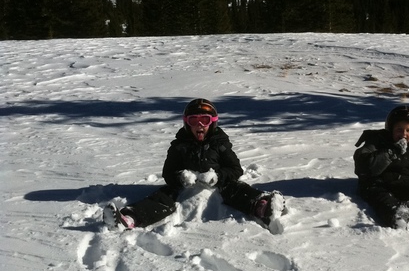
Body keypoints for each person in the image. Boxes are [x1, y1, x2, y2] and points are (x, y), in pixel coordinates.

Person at [103, 98, 285, 233]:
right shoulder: (179, 145)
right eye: (193, 120)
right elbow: (168, 172)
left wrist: (218, 176)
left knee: (237, 190)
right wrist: (180, 177)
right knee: (162, 197)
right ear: (186, 123)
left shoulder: (220, 143)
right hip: (184, 187)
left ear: (212, 123)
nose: (199, 125)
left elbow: (236, 169)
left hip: (218, 185)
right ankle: (129, 218)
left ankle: (262, 206)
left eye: (204, 120)